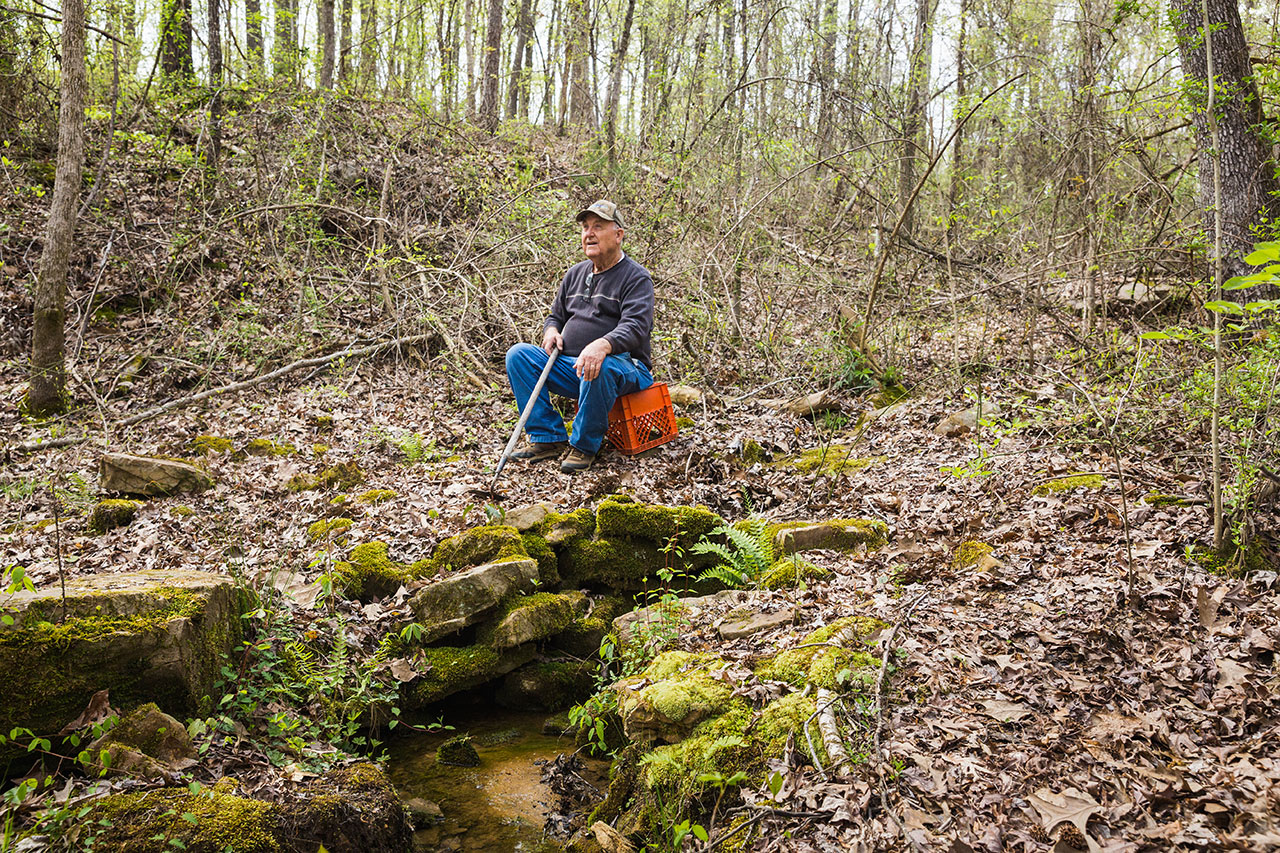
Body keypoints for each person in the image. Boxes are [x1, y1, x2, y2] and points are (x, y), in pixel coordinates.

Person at [504, 200, 655, 473]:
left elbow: (636, 326)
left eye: (598, 226)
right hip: (572, 366)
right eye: (585, 227)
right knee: (519, 355)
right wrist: (550, 331)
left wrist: (602, 345)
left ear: (618, 235)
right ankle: (547, 437)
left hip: (626, 367)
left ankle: (584, 446)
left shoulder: (636, 278)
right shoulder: (575, 274)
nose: (589, 233)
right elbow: (556, 316)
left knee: (601, 363)